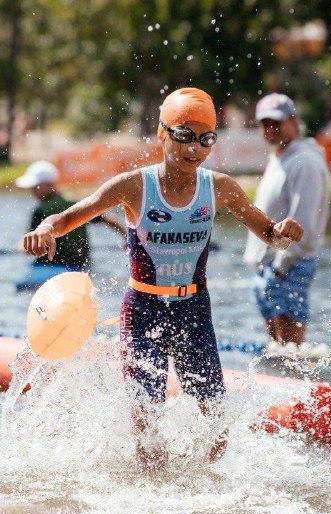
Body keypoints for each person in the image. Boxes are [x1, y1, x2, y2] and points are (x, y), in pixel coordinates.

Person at [22, 88, 304, 468]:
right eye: (184, 135)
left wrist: (284, 231)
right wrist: (45, 227)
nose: (194, 149)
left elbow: (271, 235)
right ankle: (150, 500)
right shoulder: (133, 186)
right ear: (162, 134)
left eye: (205, 139)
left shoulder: (220, 188)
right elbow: (69, 217)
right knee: (147, 423)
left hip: (194, 311)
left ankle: (197, 494)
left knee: (215, 426)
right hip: (143, 310)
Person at [243, 93, 331, 345]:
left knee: (291, 347)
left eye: (276, 123)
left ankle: (296, 383)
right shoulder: (280, 157)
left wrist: (279, 269)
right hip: (270, 263)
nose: (270, 129)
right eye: (265, 124)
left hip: (288, 265)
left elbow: (303, 223)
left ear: (293, 122)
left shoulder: (304, 162)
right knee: (278, 347)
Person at [15, 160, 125, 269]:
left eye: (34, 187)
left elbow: (29, 246)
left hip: (50, 266)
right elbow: (109, 220)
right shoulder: (76, 205)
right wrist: (126, 237)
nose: (32, 192)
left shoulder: (40, 210)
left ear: (47, 185)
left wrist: (21, 248)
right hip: (81, 266)